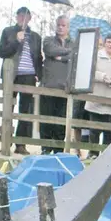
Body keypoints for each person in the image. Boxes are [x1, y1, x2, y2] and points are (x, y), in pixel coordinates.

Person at [0, 7, 43, 155]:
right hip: (11, 74)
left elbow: (38, 58)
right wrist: (16, 41)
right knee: (8, 108)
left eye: (26, 16)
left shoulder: (36, 36)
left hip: (29, 75)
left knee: (25, 111)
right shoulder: (8, 31)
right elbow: (2, 52)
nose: (23, 19)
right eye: (20, 16)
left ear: (30, 18)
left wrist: (38, 74)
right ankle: (6, 140)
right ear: (17, 17)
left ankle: (21, 144)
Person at [39, 15, 73, 154]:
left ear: (68, 27)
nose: (60, 27)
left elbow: (76, 55)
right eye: (58, 25)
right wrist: (68, 54)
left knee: (61, 121)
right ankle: (46, 148)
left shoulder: (73, 42)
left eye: (63, 25)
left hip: (65, 88)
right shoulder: (48, 40)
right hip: (49, 85)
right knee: (46, 118)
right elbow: (50, 50)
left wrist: (62, 56)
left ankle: (59, 149)